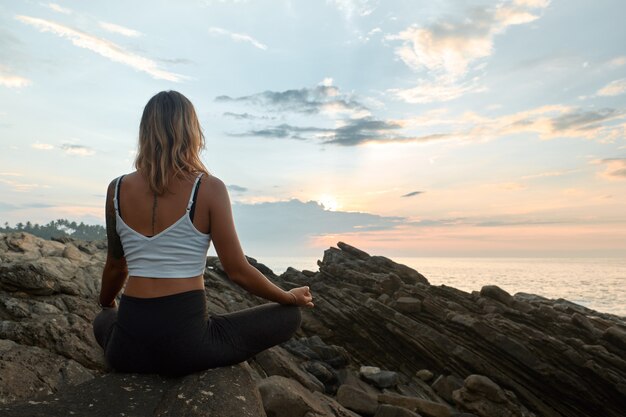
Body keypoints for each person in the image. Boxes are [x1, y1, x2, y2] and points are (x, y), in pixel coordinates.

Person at [92, 90, 314, 377]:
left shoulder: (116, 189)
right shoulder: (209, 188)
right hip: (187, 348)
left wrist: (107, 303)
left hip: (127, 351)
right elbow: (237, 271)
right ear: (191, 131)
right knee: (289, 317)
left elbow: (116, 264)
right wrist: (288, 297)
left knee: (104, 318)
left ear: (144, 132)